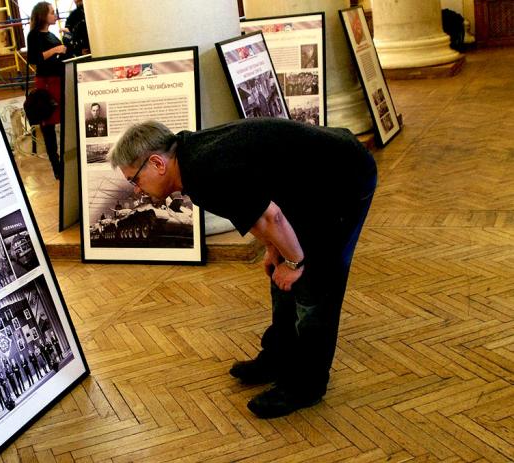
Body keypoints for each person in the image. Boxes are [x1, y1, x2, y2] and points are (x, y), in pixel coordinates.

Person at [108, 118, 377, 418]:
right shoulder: (190, 159)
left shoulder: (204, 171)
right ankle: (280, 356)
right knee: (281, 274)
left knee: (316, 284)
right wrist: (275, 251)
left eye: (134, 179)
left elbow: (271, 218)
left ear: (157, 162)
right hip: (305, 184)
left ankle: (306, 385)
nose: (136, 190)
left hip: (342, 178)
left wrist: (295, 261)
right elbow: (260, 203)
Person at [27, 1, 67, 180]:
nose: (54, 15)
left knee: (64, 119)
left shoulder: (51, 35)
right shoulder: (34, 35)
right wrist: (56, 50)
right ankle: (56, 166)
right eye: (51, 12)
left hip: (59, 79)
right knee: (48, 124)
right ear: (43, 15)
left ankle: (67, 161)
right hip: (46, 82)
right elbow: (34, 58)